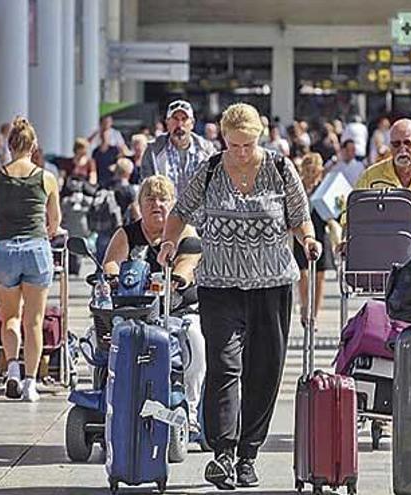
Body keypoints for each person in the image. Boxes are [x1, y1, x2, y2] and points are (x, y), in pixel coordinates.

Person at [158, 103, 321, 490]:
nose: (241, 152)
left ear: (259, 137)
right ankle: (224, 453)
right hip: (220, 285)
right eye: (234, 145)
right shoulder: (211, 169)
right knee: (224, 365)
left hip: (271, 285)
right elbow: (180, 212)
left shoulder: (280, 169)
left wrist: (309, 240)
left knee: (264, 370)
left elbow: (299, 218)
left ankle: (249, 454)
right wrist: (168, 241)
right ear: (224, 140)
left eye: (247, 145)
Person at [103, 175, 205, 433]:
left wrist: (178, 278)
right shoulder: (127, 233)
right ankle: (112, 402)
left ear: (173, 203)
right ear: (140, 204)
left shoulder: (185, 232)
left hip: (178, 309)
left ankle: (190, 411)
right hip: (135, 309)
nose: (156, 204)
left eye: (163, 199)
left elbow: (189, 261)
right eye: (150, 199)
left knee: (195, 342)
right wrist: (113, 276)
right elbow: (112, 262)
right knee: (102, 340)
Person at [0, 116, 61, 402]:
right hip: (37, 249)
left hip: (5, 250)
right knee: (34, 320)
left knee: (10, 317)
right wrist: (49, 233)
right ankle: (30, 382)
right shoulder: (46, 178)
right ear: (34, 145)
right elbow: (54, 220)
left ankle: (12, 369)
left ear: (8, 144)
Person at [348, 118, 411, 251]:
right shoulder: (370, 177)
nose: (402, 149)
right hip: (383, 258)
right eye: (396, 144)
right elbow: (352, 215)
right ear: (390, 146)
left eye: (408, 143)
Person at [140, 99, 217, 196]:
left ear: (192, 123)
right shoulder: (153, 150)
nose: (180, 125)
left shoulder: (207, 150)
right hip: (166, 209)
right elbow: (146, 187)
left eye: (184, 119)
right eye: (175, 119)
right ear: (167, 123)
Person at [294, 153, 335, 326]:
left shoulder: (324, 187)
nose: (311, 173)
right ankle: (305, 307)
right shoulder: (298, 188)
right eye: (308, 169)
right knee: (302, 273)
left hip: (321, 230)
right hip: (302, 234)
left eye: (314, 170)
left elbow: (335, 211)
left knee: (319, 275)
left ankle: (314, 314)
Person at [110, 158, 140, 223]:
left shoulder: (108, 185)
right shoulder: (129, 190)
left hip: (107, 226)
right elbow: (135, 211)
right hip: (122, 226)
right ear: (127, 173)